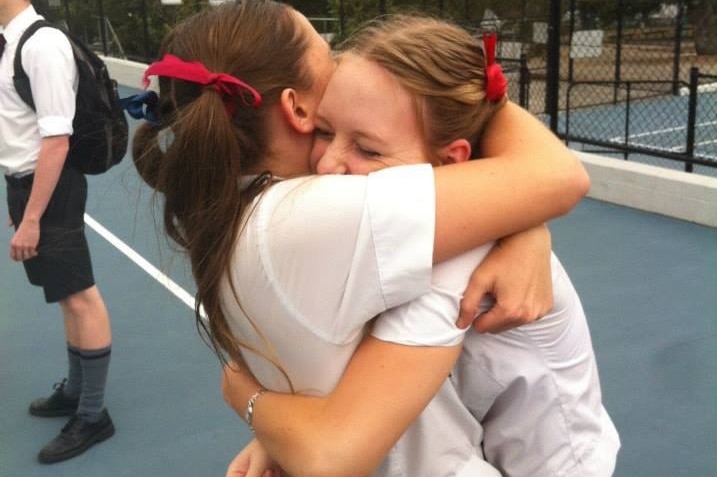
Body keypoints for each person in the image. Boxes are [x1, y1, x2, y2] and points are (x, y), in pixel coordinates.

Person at [131, 1, 589, 476]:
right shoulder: (322, 213)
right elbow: (555, 177)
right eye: (327, 54)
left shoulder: (235, 208)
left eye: (366, 146)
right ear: (298, 107)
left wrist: (256, 405)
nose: (331, 161)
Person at [0, 0, 114, 464]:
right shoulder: (10, 46)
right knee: (65, 294)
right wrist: (22, 203)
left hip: (52, 186)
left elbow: (56, 139)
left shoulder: (42, 44)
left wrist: (32, 218)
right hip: (26, 185)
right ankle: (75, 391)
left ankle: (93, 415)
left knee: (81, 295)